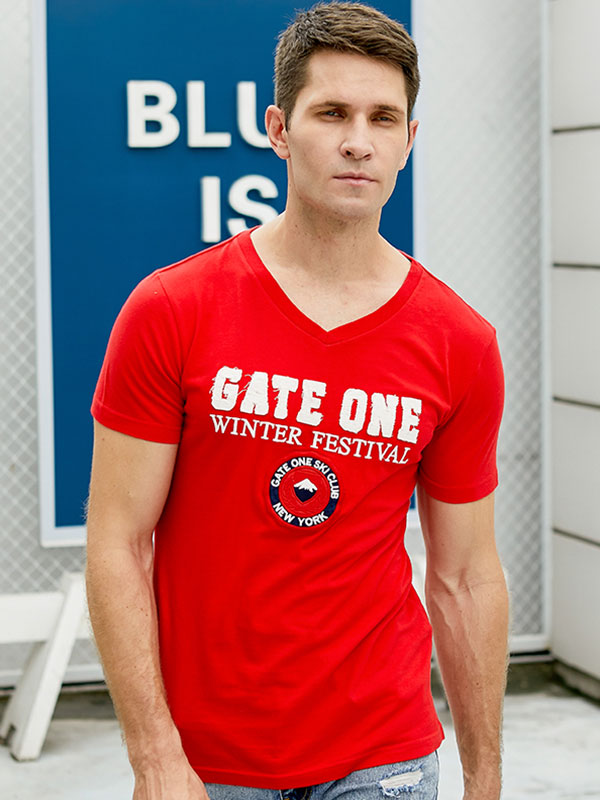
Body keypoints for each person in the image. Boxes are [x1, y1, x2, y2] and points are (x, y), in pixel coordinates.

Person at [85, 3, 509, 799]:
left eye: (384, 118)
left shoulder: (460, 342)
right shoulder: (172, 310)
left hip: (384, 753)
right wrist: (154, 755)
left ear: (409, 141)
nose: (359, 141)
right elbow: (119, 543)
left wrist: (484, 777)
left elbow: (465, 576)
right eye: (332, 113)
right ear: (279, 130)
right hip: (210, 759)